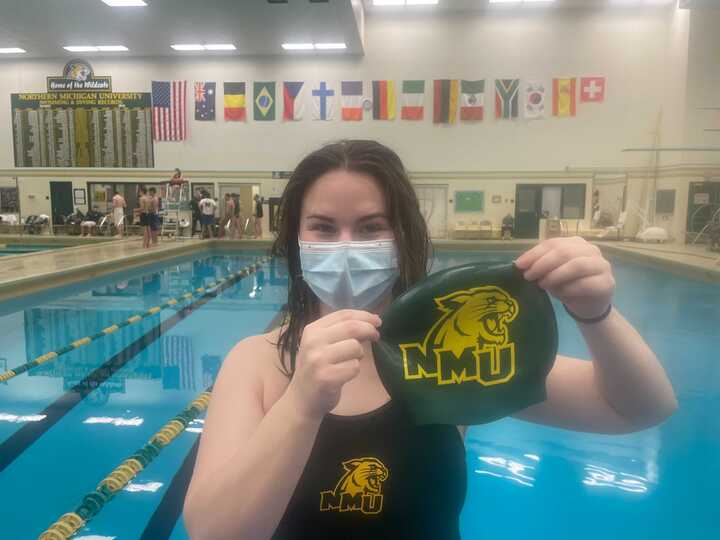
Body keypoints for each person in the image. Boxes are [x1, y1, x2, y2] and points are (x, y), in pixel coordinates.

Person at [184, 140, 677, 540]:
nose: (347, 246)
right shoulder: (257, 363)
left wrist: (596, 315)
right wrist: (301, 405)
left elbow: (638, 409)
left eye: (371, 227)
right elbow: (214, 533)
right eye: (324, 228)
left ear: (403, 236)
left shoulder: (447, 355)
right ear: (296, 239)